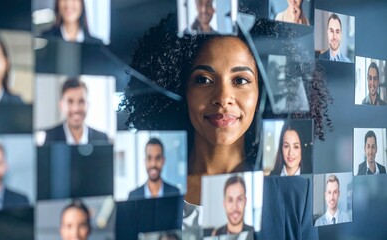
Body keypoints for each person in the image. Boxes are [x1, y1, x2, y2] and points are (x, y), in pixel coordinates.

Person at [121, 11, 332, 239]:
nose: (223, 97)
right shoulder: (138, 198)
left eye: (241, 80)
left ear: (263, 94)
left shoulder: (297, 196)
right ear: (183, 91)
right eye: (203, 80)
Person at [43, 78, 108, 145]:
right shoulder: (50, 137)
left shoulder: (102, 138)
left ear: (88, 105)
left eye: (81, 101)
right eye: (70, 102)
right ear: (61, 105)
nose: (76, 109)